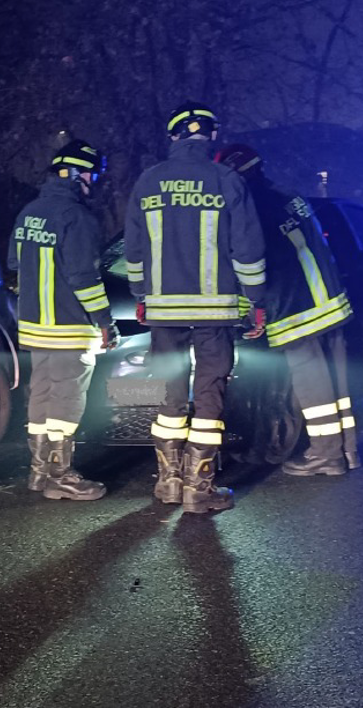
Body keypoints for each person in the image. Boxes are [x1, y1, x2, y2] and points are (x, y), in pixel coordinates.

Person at [124, 103, 266, 513]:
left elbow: (134, 250)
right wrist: (256, 302)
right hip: (215, 311)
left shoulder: (147, 182)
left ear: (173, 137)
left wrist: (141, 294)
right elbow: (248, 249)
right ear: (211, 137)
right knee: (209, 394)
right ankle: (198, 489)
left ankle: (168, 482)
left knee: (169, 391)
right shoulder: (225, 180)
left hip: (164, 310)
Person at [215, 143, 359, 474]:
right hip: (330, 302)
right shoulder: (288, 195)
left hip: (297, 308)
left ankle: (326, 455)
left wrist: (248, 308)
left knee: (312, 383)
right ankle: (348, 450)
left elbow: (253, 263)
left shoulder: (251, 208)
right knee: (337, 383)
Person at [8, 139, 120, 501]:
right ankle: (61, 474)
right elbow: (84, 278)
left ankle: (39, 472)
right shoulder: (78, 217)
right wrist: (105, 322)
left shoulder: (29, 212)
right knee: (67, 399)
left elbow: (13, 263)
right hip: (70, 326)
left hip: (33, 327)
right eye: (91, 174)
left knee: (41, 394)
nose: (93, 181)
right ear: (76, 174)